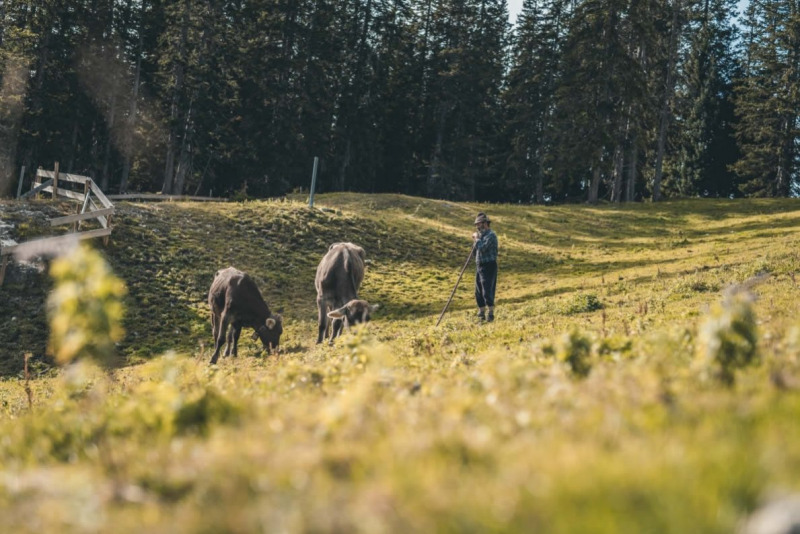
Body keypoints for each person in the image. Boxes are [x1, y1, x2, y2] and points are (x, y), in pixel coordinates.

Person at [472, 212, 498, 322]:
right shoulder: (481, 236)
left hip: (489, 265)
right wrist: (476, 241)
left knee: (487, 290)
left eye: (479, 224)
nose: (477, 227)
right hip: (479, 265)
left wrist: (476, 239)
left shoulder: (491, 235)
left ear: (485, 223)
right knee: (478, 291)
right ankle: (481, 313)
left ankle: (490, 313)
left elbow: (482, 248)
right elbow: (476, 252)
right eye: (476, 225)